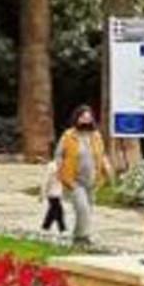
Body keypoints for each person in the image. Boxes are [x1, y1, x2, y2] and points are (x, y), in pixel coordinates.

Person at [54, 105, 108, 248]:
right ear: (77, 118)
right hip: (73, 180)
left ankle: (78, 236)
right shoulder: (68, 135)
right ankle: (84, 237)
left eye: (88, 116)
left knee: (87, 210)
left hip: (92, 179)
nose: (86, 119)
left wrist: (105, 169)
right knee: (82, 208)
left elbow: (101, 154)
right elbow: (59, 155)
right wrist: (60, 170)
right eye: (83, 116)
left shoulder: (96, 136)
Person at [39, 155, 68, 237]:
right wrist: (42, 193)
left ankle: (46, 228)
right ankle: (62, 229)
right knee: (58, 211)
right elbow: (45, 181)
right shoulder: (52, 166)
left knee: (54, 211)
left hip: (58, 192)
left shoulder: (61, 165)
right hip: (52, 192)